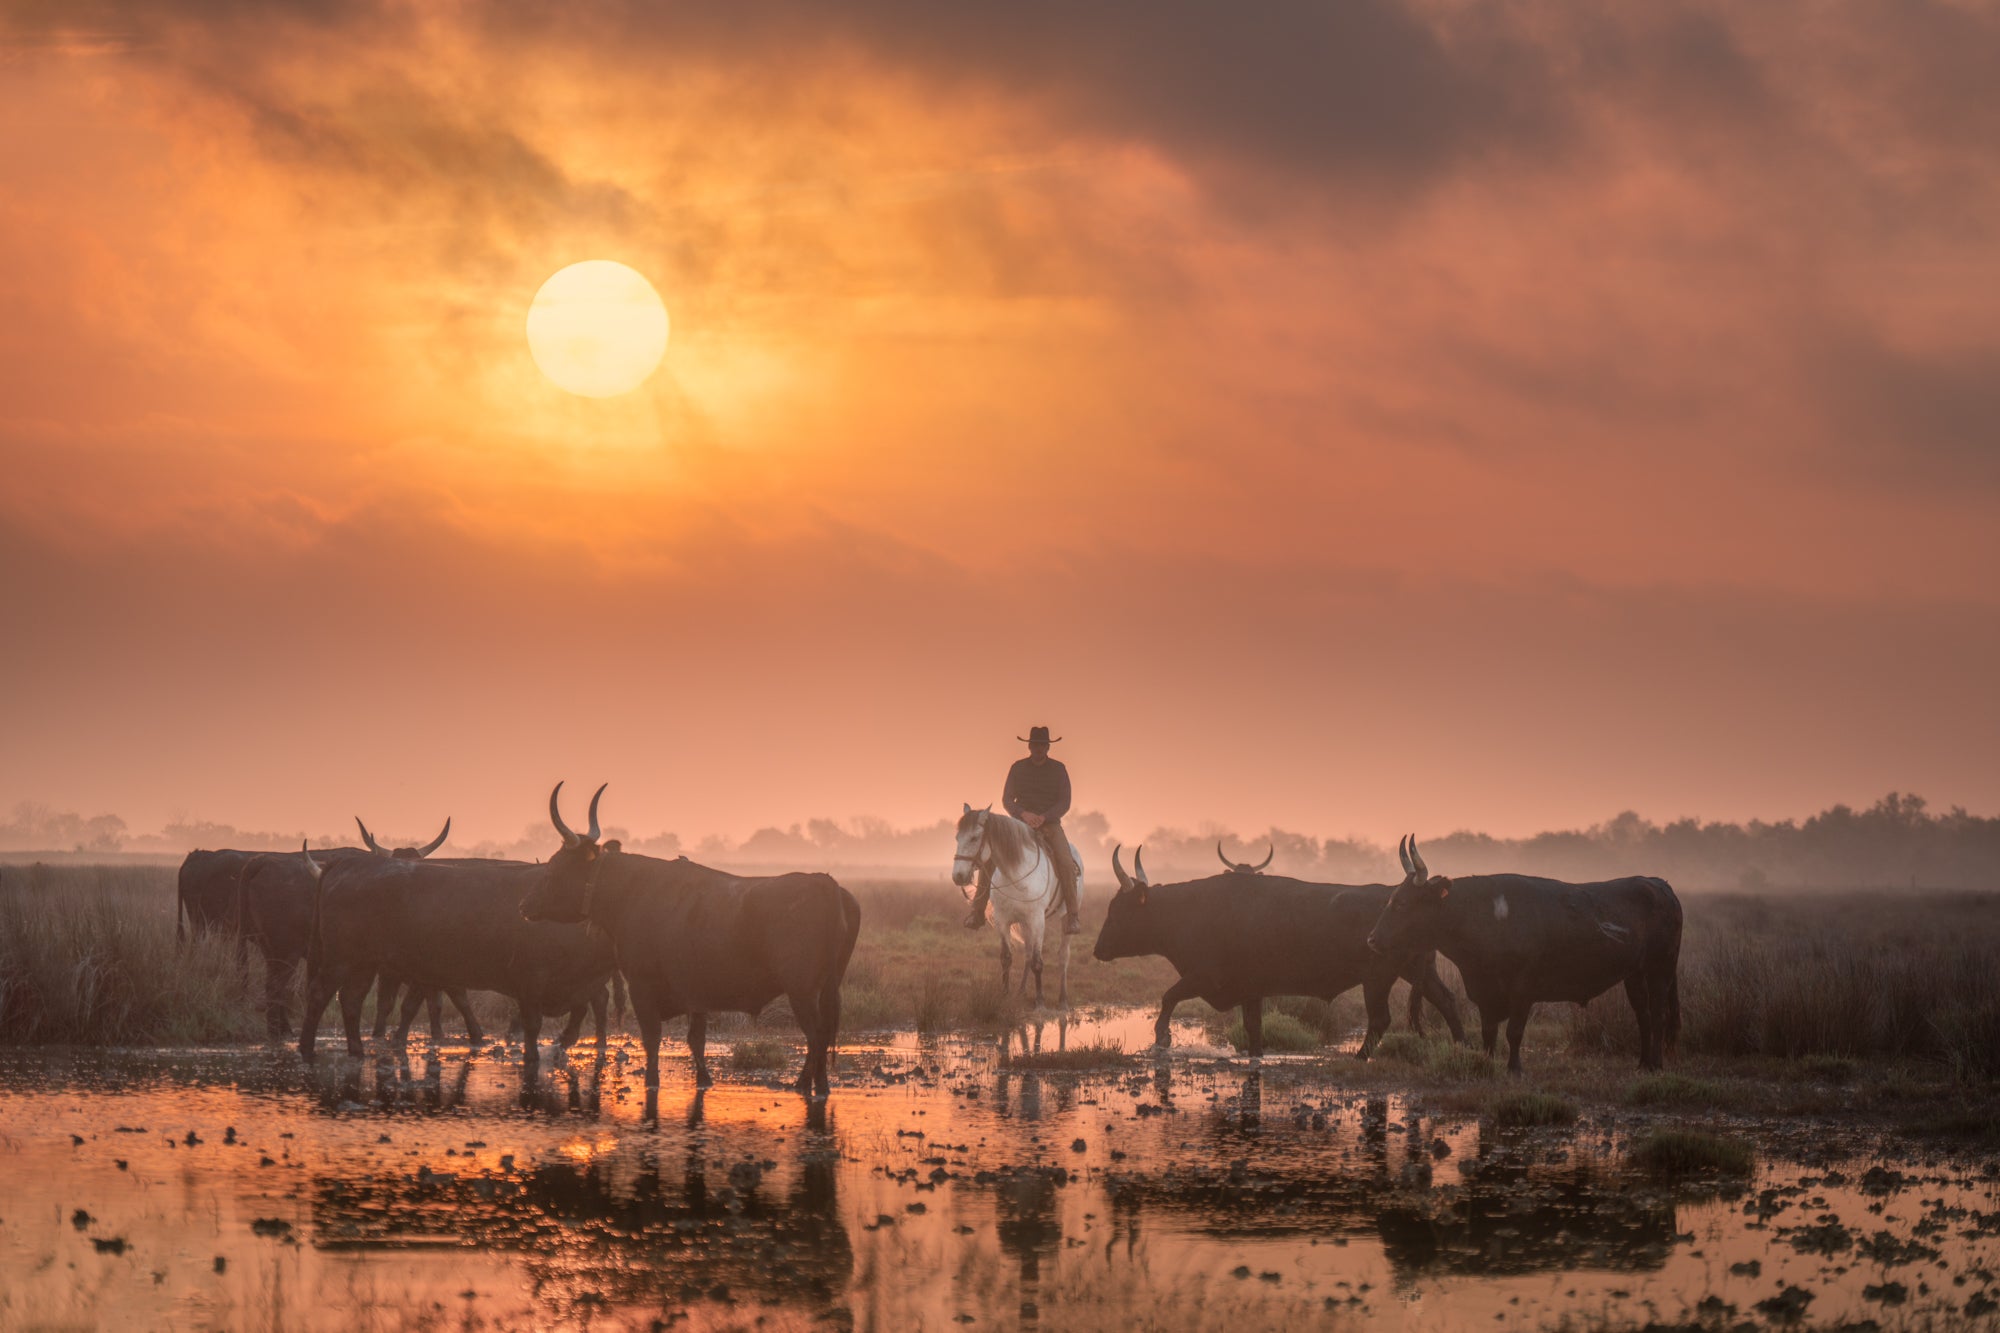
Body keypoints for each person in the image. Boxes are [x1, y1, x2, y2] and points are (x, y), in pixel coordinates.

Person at [965, 726, 1082, 935]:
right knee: (991, 857)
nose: (1038, 749)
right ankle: (978, 911)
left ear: (1048, 747)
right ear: (1029, 746)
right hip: (1019, 824)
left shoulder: (1059, 769)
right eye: (1035, 745)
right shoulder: (1017, 768)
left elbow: (1065, 802)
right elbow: (1007, 799)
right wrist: (1024, 815)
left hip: (1050, 823)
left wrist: (1045, 817)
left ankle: (1072, 915)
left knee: (1065, 860)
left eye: (1042, 745)